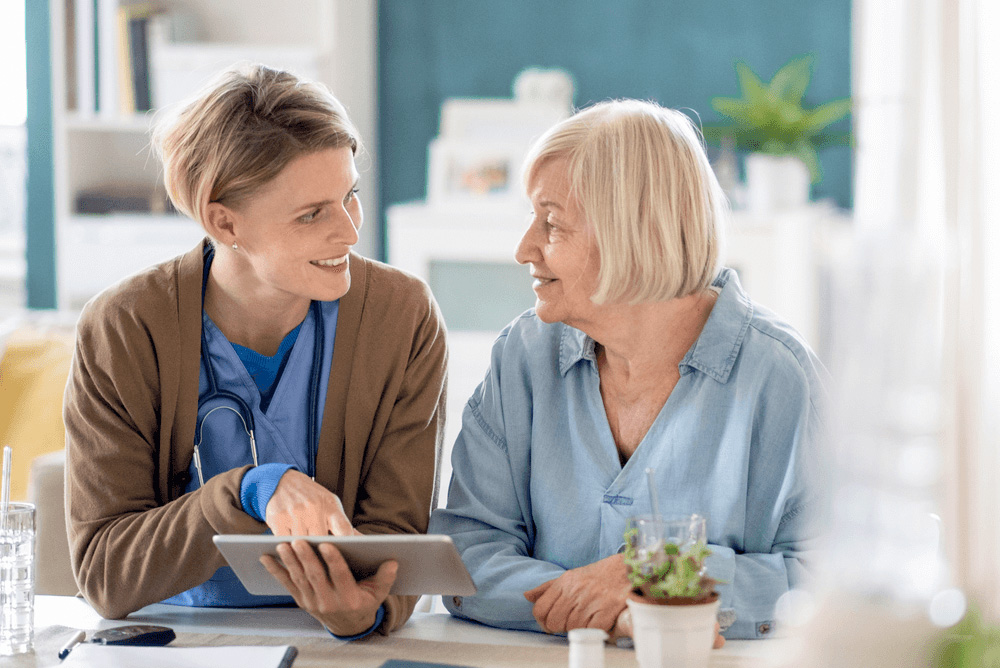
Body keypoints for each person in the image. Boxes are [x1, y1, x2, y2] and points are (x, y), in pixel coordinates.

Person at [63, 64, 447, 639]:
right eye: (312, 213)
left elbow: (396, 544)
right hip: (174, 642)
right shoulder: (124, 329)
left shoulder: (401, 317)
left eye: (351, 197)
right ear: (224, 222)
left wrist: (364, 611)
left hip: (335, 648)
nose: (349, 231)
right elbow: (104, 571)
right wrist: (249, 489)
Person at [428, 99, 826, 641]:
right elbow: (467, 552)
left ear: (633, 233)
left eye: (551, 223)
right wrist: (616, 609)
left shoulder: (782, 380)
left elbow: (829, 581)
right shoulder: (522, 356)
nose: (524, 248)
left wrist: (652, 574)